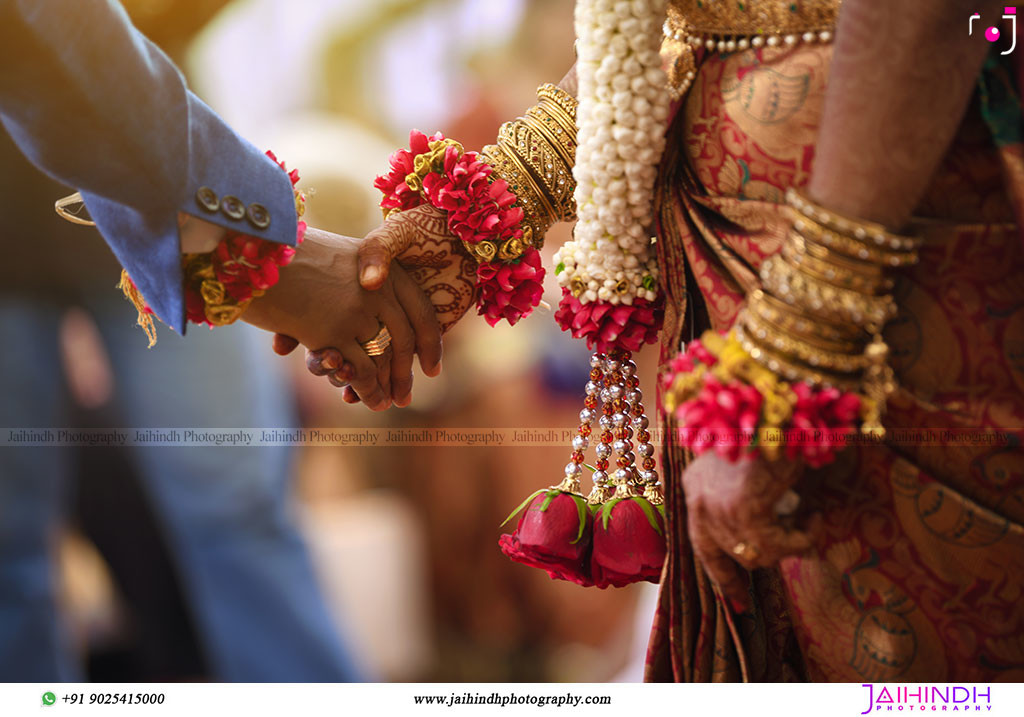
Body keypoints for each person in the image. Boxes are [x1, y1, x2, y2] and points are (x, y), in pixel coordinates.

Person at [303, 0, 1024, 682]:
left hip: (906, 262)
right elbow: (669, 21)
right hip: (722, 275)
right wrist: (485, 211)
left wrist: (803, 340)